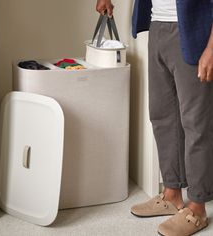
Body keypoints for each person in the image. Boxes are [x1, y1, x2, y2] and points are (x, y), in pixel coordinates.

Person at [96, 0, 213, 235]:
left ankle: (197, 207)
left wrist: (212, 48)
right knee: (162, 116)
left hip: (194, 31)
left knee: (195, 124)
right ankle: (172, 195)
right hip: (157, 25)